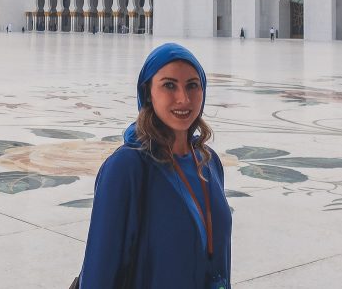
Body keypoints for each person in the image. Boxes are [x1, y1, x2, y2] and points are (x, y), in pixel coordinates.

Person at [76, 43, 232, 289]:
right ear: (148, 92)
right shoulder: (127, 167)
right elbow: (99, 270)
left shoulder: (209, 162)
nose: (184, 98)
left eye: (192, 85)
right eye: (169, 85)